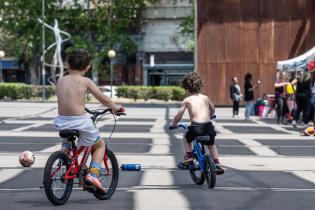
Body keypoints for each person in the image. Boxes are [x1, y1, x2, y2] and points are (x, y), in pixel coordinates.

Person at [53, 49, 123, 194]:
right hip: (79, 122)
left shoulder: (60, 79)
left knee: (73, 141)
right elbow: (103, 99)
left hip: (61, 121)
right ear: (88, 67)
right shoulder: (86, 81)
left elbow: (70, 99)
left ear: (67, 65)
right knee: (99, 145)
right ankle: (93, 175)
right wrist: (115, 107)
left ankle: (66, 150)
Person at [170, 72, 224, 175]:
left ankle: (189, 155)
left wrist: (174, 124)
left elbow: (178, 115)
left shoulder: (187, 100)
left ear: (186, 88)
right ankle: (217, 163)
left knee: (186, 137)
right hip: (208, 127)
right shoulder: (205, 98)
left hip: (196, 127)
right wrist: (210, 115)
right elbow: (212, 109)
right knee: (211, 144)